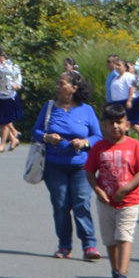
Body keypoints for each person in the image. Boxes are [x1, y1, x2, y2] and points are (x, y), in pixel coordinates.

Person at [33, 70, 102, 260]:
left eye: (62, 83)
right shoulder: (49, 107)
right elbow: (36, 131)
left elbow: (98, 136)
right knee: (61, 205)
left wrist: (84, 142)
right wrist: (47, 137)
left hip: (81, 165)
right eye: (58, 83)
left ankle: (89, 245)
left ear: (74, 88)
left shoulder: (87, 110)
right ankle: (64, 246)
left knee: (81, 203)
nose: (58, 86)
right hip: (55, 165)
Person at [86, 102, 139, 278]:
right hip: (105, 202)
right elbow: (90, 172)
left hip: (129, 201)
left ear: (127, 125)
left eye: (120, 122)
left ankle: (122, 275)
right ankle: (114, 273)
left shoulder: (135, 146)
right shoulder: (98, 148)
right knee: (110, 240)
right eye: (111, 123)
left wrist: (126, 189)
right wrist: (98, 191)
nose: (115, 127)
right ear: (104, 125)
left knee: (124, 236)